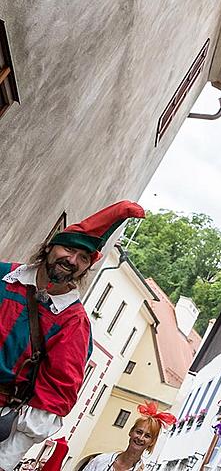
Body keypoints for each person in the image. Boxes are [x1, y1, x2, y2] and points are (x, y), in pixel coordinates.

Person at [0, 201, 145, 471]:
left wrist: (4, 460)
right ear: (49, 247)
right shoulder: (3, 276)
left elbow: (55, 395)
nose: (73, 260)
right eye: (69, 249)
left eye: (84, 258)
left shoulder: (73, 323)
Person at [82, 402, 174, 471]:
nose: (140, 438)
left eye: (147, 436)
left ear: (152, 442)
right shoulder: (101, 461)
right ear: (131, 432)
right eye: (139, 432)